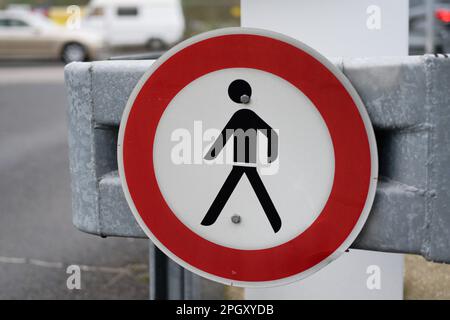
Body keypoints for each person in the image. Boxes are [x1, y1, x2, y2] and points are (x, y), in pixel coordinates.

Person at [201, 79, 281, 233]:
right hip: (244, 161)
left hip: (242, 161)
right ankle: (275, 223)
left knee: (236, 188)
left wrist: (212, 154)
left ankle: (209, 219)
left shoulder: (241, 115)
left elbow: (225, 135)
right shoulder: (246, 115)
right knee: (251, 188)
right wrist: (270, 155)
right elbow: (271, 133)